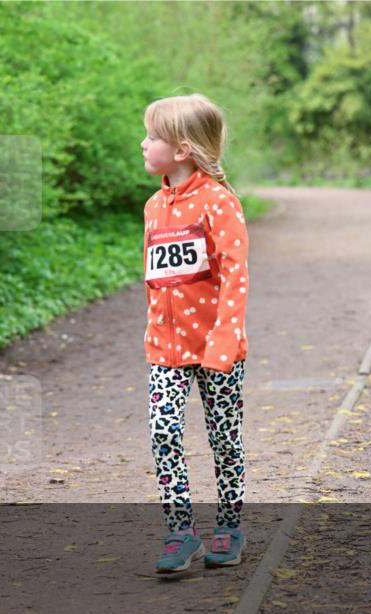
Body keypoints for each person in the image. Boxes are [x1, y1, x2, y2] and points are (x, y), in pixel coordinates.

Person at [139, 94, 249, 573]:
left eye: (152, 137)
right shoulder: (153, 206)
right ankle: (180, 531)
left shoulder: (220, 203)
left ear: (182, 149)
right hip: (165, 349)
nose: (143, 144)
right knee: (163, 431)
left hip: (217, 348)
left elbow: (235, 276)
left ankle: (229, 525)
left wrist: (224, 341)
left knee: (224, 439)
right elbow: (156, 280)